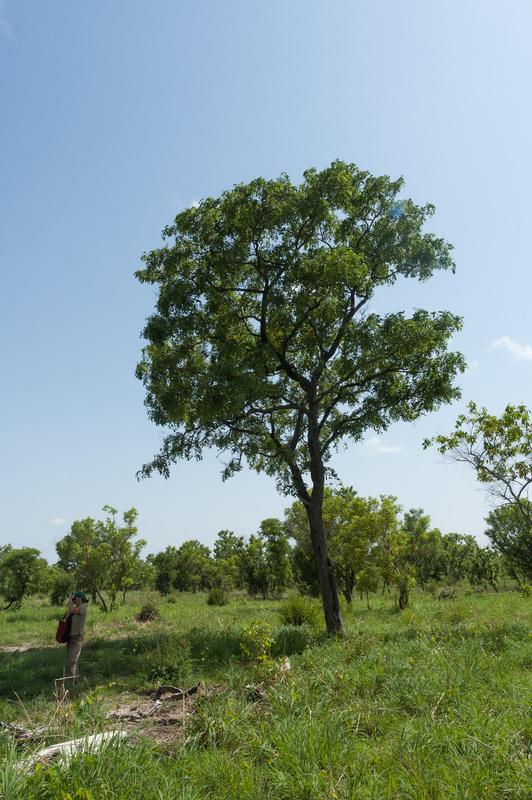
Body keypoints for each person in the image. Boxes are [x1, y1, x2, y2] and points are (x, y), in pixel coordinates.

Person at [65, 591, 88, 684]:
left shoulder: (83, 608)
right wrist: (70, 603)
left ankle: (71, 684)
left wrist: (70, 599)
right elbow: (67, 616)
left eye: (75, 598)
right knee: (73, 660)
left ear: (80, 599)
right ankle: (75, 681)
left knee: (72, 661)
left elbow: (71, 610)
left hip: (77, 638)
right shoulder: (75, 608)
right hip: (70, 637)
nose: (73, 600)